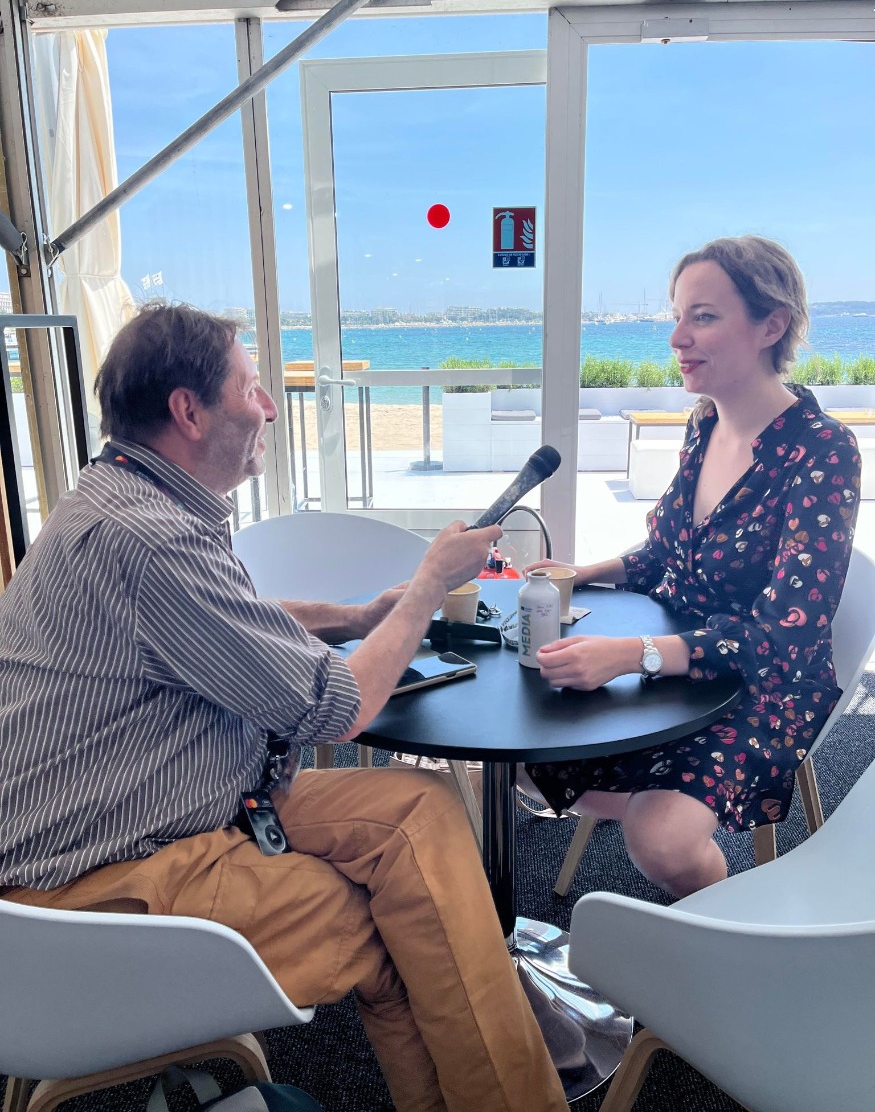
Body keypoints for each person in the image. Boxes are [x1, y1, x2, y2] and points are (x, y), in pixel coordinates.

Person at [0, 302, 567, 1112]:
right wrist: (428, 588)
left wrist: (362, 616)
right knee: (402, 933)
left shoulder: (118, 498)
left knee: (420, 807)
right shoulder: (153, 542)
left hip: (134, 809)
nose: (269, 407)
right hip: (86, 885)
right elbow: (338, 709)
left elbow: (228, 622)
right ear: (189, 411)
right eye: (251, 387)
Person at [520, 236, 862, 900]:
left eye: (702, 317)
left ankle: (716, 934)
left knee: (660, 839)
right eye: (677, 316)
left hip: (765, 683)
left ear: (771, 325)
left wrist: (632, 655)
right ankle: (645, 790)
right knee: (529, 743)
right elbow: (663, 554)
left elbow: (785, 635)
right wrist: (579, 574)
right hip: (676, 656)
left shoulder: (822, 450)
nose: (677, 338)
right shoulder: (703, 425)